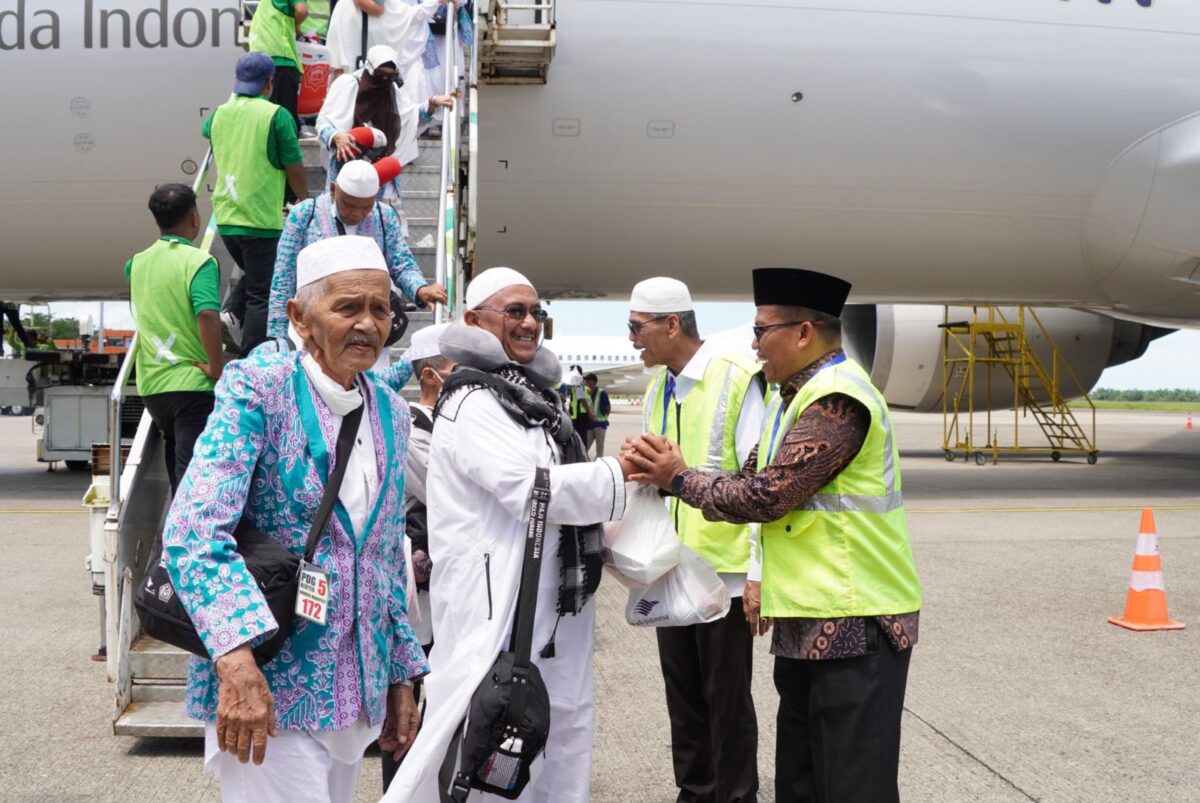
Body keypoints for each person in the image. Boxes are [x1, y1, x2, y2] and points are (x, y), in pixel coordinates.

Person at [627, 267, 923, 803]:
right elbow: (748, 481)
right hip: (809, 620)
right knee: (802, 783)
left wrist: (679, 477)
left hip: (857, 618)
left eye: (763, 331)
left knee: (852, 786)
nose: (754, 344)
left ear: (804, 332)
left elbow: (767, 495)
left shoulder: (838, 400)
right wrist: (669, 477)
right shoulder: (791, 398)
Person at [160, 235, 428, 801]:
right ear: (299, 318)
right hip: (267, 689)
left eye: (381, 309)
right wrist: (234, 662)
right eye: (348, 307)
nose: (368, 325)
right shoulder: (259, 389)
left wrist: (401, 673)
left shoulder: (390, 411)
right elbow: (193, 531)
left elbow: (382, 556)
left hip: (354, 690)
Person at [383, 267, 634, 802]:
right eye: (514, 311)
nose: (529, 323)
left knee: (560, 744)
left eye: (536, 313)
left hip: (552, 612)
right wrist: (625, 475)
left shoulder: (535, 403)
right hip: (497, 609)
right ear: (474, 321)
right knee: (489, 753)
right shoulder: (474, 401)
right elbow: (532, 490)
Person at [626, 276, 766, 803]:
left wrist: (757, 573)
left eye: (637, 328)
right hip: (669, 568)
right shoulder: (658, 385)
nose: (632, 339)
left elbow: (760, 483)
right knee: (682, 698)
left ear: (671, 324)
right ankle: (695, 792)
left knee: (726, 700)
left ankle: (734, 796)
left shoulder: (736, 379)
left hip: (723, 577)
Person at [378, 321, 452, 791]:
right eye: (456, 372)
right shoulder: (405, 423)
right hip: (416, 590)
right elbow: (445, 490)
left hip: (450, 588)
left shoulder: (454, 425)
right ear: (430, 376)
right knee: (406, 706)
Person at [265, 158, 448, 344]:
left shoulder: (384, 215)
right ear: (333, 190)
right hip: (315, 326)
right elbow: (284, 276)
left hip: (366, 326)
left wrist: (420, 288)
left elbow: (401, 263)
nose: (357, 214)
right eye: (349, 205)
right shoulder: (305, 214)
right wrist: (279, 336)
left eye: (366, 208)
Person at [205, 51, 309, 358]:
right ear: (270, 83)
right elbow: (295, 166)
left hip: (225, 216)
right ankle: (251, 357)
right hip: (260, 218)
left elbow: (207, 131)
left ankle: (231, 313)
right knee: (261, 293)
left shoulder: (220, 113)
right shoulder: (276, 116)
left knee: (255, 273)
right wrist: (304, 200)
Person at [124, 184, 224, 495]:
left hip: (153, 385)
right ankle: (187, 537)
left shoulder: (136, 263)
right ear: (194, 218)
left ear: (157, 221)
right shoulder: (198, 262)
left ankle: (176, 535)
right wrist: (216, 367)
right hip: (190, 382)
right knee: (194, 473)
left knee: (177, 461)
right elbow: (207, 314)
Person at [317, 43, 454, 196]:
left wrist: (432, 103)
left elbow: (409, 118)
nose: (383, 80)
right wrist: (336, 136)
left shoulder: (392, 92)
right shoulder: (347, 84)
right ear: (369, 69)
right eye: (379, 74)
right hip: (345, 163)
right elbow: (323, 121)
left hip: (379, 171)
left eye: (390, 76)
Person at [247, 0, 310, 133]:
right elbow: (302, 10)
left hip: (260, 62)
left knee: (267, 122)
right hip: (281, 60)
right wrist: (294, 25)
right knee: (284, 123)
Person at [583, 373, 610, 457]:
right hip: (590, 424)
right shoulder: (586, 392)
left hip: (600, 425)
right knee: (585, 446)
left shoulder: (602, 393)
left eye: (587, 380)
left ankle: (599, 465)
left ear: (593, 382)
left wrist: (605, 417)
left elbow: (608, 407)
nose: (586, 382)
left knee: (599, 448)